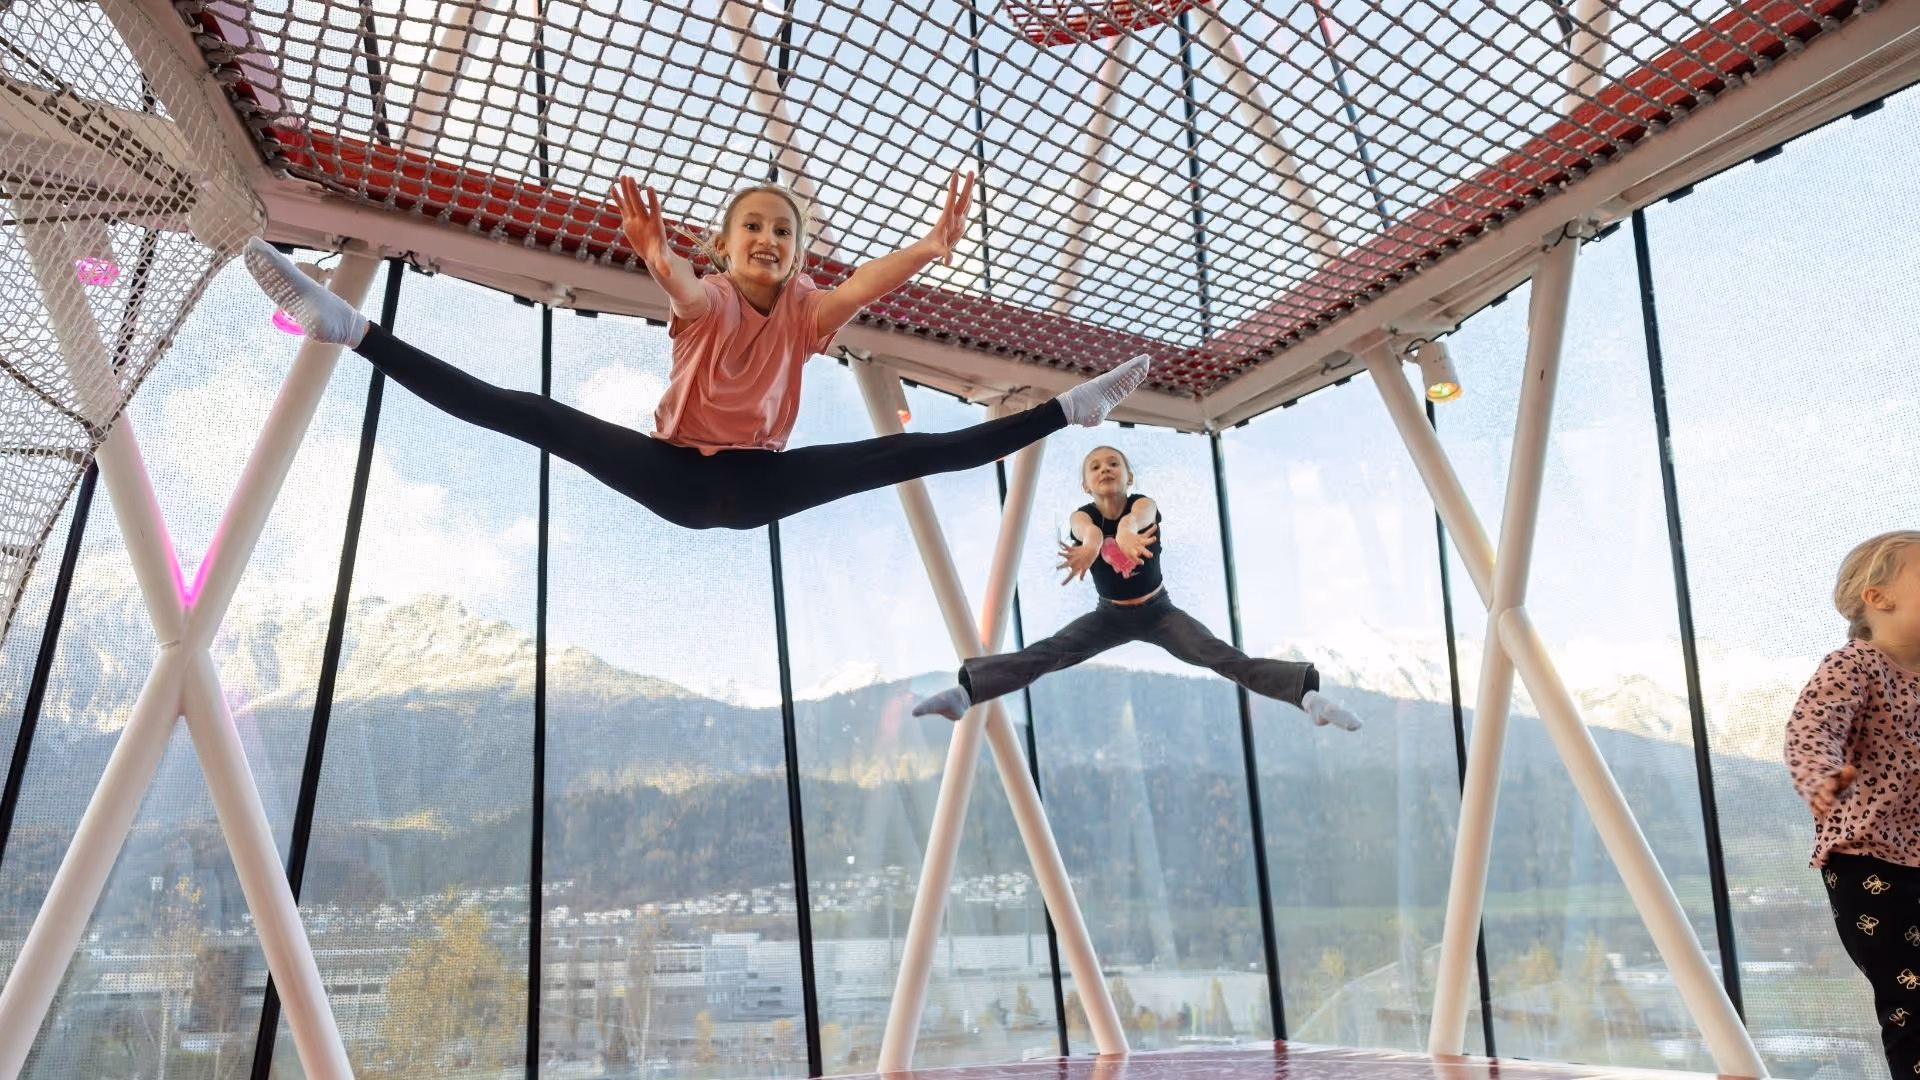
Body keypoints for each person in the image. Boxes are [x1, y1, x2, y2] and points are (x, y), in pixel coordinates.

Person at [241, 170, 1148, 530]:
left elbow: (864, 287)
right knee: (530, 415)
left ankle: (1073, 408)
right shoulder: (708, 296)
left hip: (759, 483)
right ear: (725, 245)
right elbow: (680, 289)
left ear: (797, 254)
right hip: (673, 474)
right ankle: (351, 328)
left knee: (914, 453)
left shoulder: (804, 311)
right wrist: (655, 256)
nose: (768, 240)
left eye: (783, 233)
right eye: (752, 227)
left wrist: (931, 250)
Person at [913, 444, 1361, 732]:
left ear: (1129, 476)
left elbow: (1137, 518)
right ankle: (966, 693)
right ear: (1086, 483)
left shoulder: (1143, 505)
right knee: (1050, 652)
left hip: (1159, 612)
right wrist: (1094, 544)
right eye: (1095, 466)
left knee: (1220, 656)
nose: (1105, 469)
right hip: (1108, 615)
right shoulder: (1081, 516)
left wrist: (1127, 530)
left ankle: (1307, 696)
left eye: (1114, 464)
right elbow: (1085, 531)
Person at [1787, 530, 1920, 1079]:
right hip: (1873, 860)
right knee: (1913, 998)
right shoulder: (1856, 665)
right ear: (1879, 598)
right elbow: (1812, 726)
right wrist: (1819, 776)